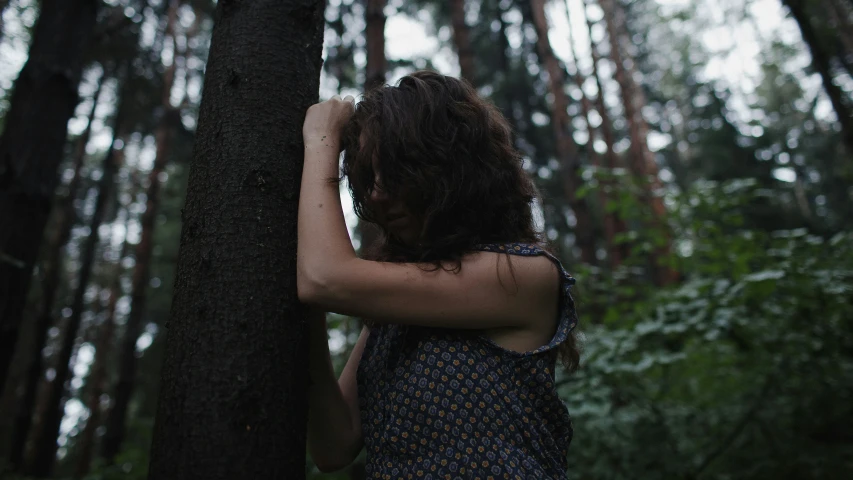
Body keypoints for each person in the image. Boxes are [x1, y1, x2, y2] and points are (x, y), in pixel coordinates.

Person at [297, 71, 580, 478]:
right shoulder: (394, 313)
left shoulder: (523, 274)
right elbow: (334, 445)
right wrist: (305, 309)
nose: (376, 193)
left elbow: (325, 279)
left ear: (449, 167)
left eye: (393, 170)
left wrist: (322, 141)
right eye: (366, 177)